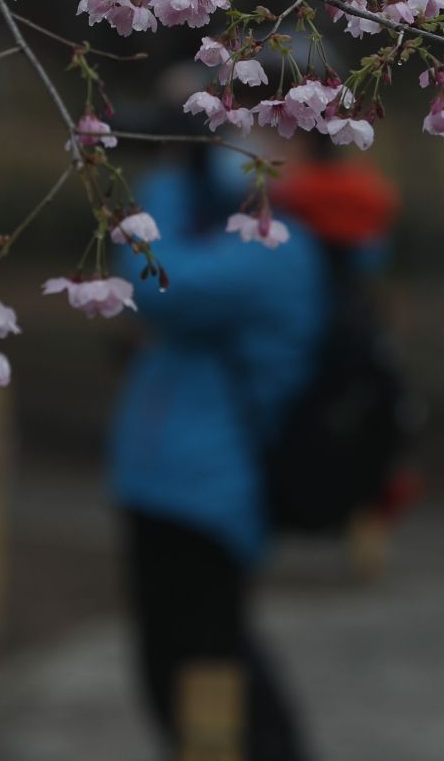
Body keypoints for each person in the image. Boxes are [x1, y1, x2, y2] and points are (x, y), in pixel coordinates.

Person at [108, 136, 326, 761]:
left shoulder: (278, 247)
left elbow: (156, 279)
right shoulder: (241, 231)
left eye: (270, 129)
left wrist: (173, 175)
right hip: (172, 482)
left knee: (205, 672)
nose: (243, 143)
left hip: (205, 492)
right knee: (178, 674)